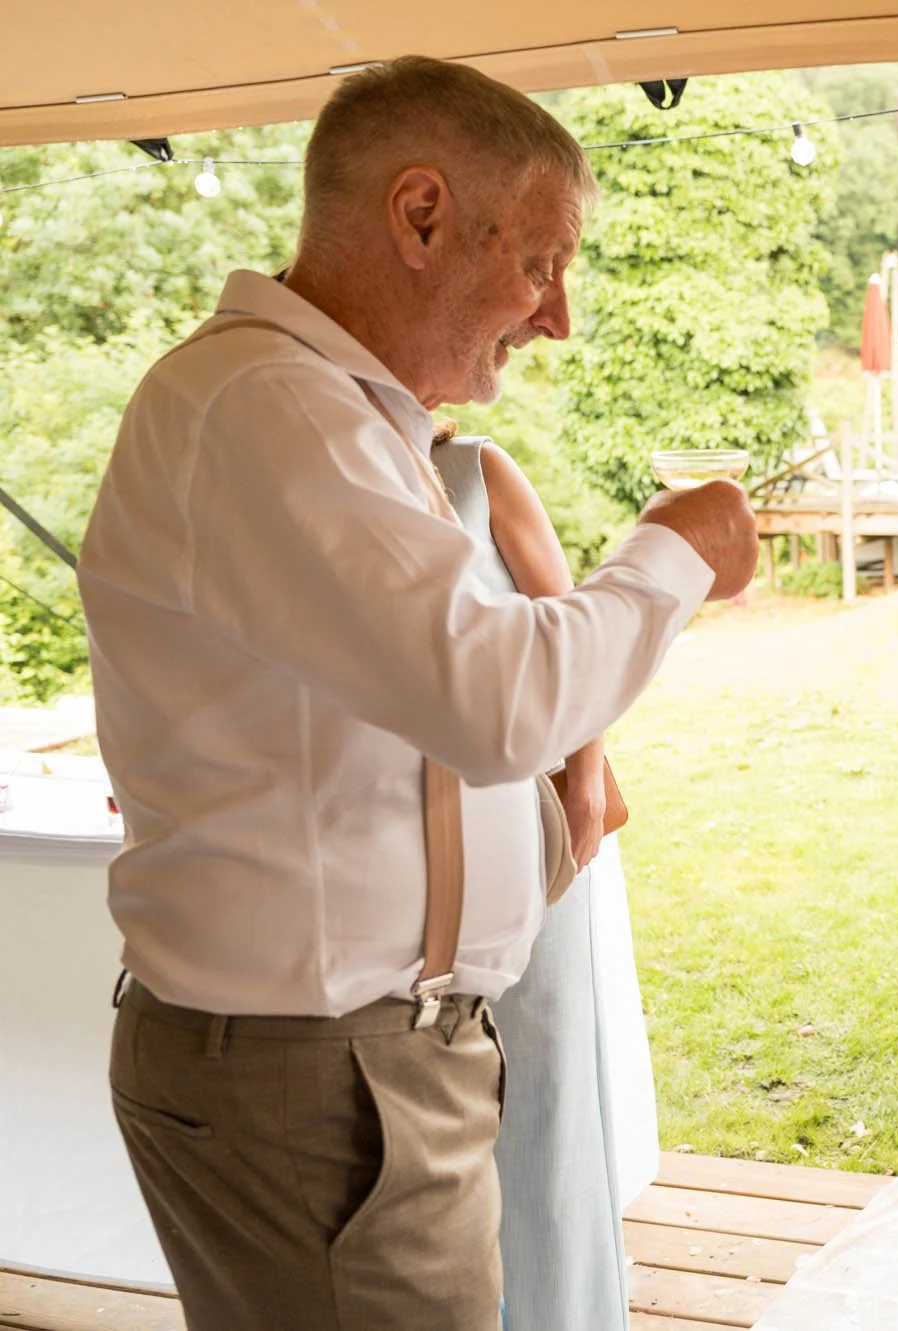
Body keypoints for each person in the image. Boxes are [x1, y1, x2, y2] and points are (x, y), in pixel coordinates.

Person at [78, 56, 757, 1331]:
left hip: (358, 1062)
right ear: (422, 215)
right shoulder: (263, 409)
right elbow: (488, 701)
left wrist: (545, 840)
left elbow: (399, 726)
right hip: (316, 1081)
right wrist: (672, 550)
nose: (555, 316)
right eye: (543, 262)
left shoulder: (334, 417)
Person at [429, 420, 658, 1331]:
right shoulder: (312, 473)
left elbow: (575, 645)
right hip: (399, 863)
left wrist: (587, 787)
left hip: (530, 836)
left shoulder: (476, 469)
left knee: (542, 1091)